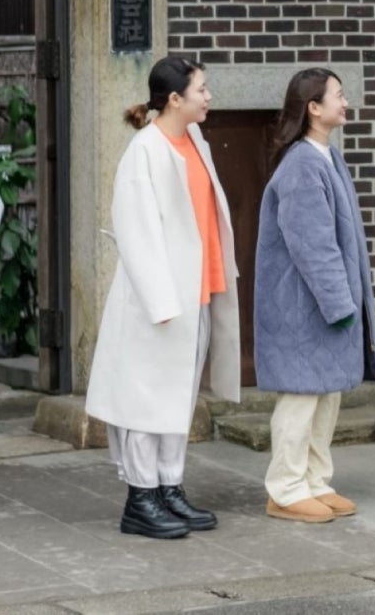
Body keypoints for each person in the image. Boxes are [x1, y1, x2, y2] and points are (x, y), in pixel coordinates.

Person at [84, 56, 241, 540]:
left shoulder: (194, 141)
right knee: (144, 402)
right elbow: (136, 232)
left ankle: (169, 487)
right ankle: (140, 497)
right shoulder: (144, 150)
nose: (209, 96)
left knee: (177, 398)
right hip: (159, 300)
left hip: (194, 291)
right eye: (202, 89)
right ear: (175, 99)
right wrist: (160, 302)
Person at [255, 67, 375, 524]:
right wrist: (339, 304)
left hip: (323, 306)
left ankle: (313, 481)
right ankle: (285, 488)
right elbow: (313, 246)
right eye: (338, 96)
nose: (345, 103)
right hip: (302, 306)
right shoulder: (303, 164)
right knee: (301, 397)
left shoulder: (326, 156)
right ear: (313, 107)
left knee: (325, 394)